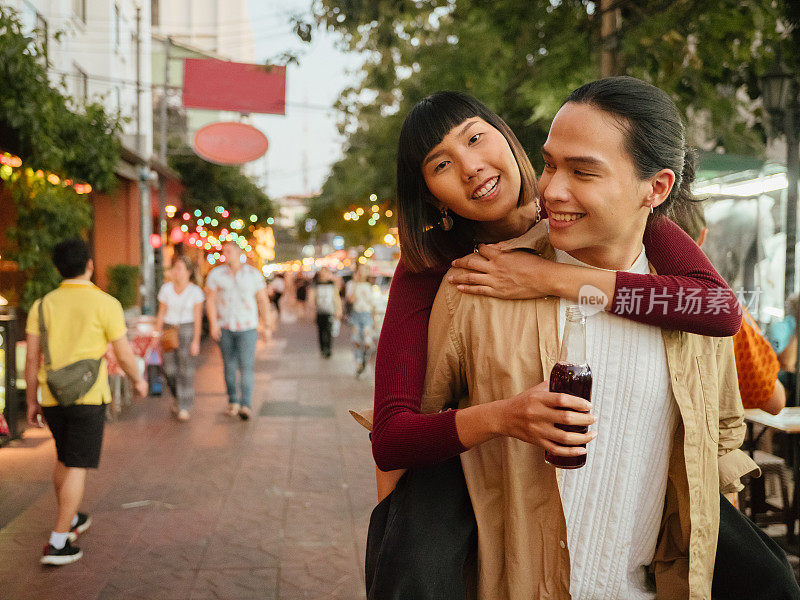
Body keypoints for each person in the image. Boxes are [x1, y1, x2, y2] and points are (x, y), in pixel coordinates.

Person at [373, 84, 756, 599]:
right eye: (440, 165)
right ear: (428, 193)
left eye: (475, 138)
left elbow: (718, 308)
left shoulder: (623, 224)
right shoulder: (442, 276)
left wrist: (549, 279)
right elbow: (393, 435)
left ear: (508, 140)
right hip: (508, 537)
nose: (471, 167)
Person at [669, 198, 800, 599]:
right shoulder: (718, 305)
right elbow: (773, 397)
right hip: (703, 482)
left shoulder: (614, 293)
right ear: (703, 238)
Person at [25, 239, 148, 565]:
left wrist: (30, 400)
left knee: (64, 458)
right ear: (90, 265)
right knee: (77, 464)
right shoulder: (105, 303)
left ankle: (73, 519)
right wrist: (138, 379)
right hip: (88, 396)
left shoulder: (42, 305)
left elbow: (32, 357)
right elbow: (123, 353)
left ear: (57, 268)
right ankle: (57, 542)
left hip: (52, 395)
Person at [205, 242, 270, 420]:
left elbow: (263, 300)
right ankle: (233, 400)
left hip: (248, 327)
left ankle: (246, 404)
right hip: (225, 327)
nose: (226, 254)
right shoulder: (216, 274)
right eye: (224, 251)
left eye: (229, 251)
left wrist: (267, 325)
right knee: (229, 366)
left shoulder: (253, 274)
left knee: (246, 365)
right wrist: (213, 324)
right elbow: (209, 300)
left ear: (239, 253)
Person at [154, 256, 204, 422]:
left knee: (186, 370)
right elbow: (161, 312)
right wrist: (156, 334)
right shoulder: (166, 289)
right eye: (175, 268)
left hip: (187, 330)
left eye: (180, 268)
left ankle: (184, 405)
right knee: (169, 370)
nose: (177, 272)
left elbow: (197, 318)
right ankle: (177, 396)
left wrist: (196, 341)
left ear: (188, 272)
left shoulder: (196, 291)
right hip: (169, 330)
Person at [346, 263, 375, 375]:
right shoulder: (351, 284)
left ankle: (365, 359)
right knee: (356, 340)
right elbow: (350, 300)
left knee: (368, 341)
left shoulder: (370, 285)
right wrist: (356, 283)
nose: (363, 272)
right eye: (361, 270)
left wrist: (374, 319)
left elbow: (372, 304)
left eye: (365, 270)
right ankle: (359, 363)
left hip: (367, 315)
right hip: (356, 315)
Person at [310, 267, 342, 358]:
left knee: (329, 330)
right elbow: (312, 299)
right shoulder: (316, 285)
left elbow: (336, 298)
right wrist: (312, 310)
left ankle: (328, 348)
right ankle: (322, 348)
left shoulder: (332, 285)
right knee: (321, 331)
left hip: (330, 311)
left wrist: (338, 310)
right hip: (319, 311)